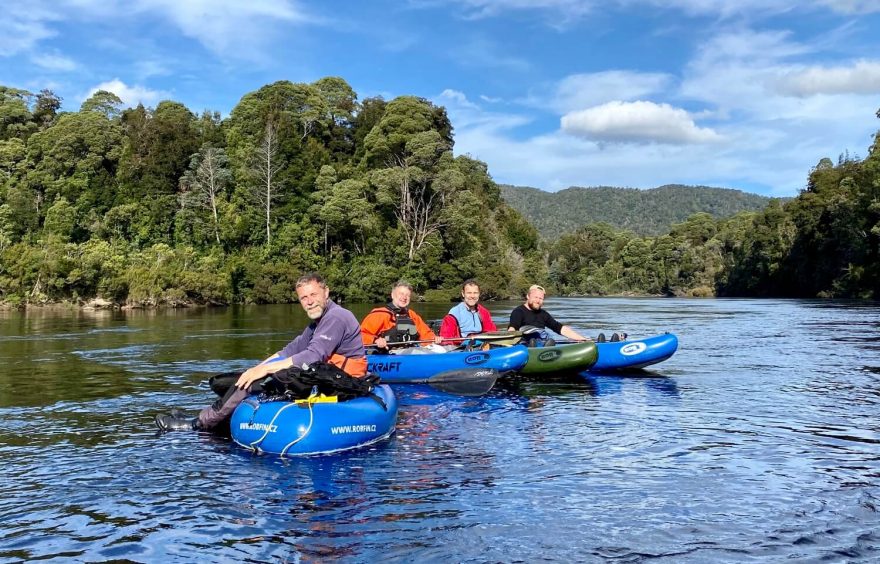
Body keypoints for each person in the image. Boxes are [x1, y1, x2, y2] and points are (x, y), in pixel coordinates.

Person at [155, 272, 368, 432]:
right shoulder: (316, 323)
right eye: (304, 297)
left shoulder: (336, 317)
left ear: (326, 292)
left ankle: (197, 424)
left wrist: (263, 372)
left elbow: (312, 355)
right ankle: (210, 417)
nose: (309, 301)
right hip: (324, 377)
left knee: (257, 382)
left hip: (343, 384)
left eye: (313, 294)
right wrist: (256, 368)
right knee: (233, 381)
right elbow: (289, 350)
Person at [360, 281, 443, 352]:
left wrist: (434, 338)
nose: (404, 297)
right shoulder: (380, 314)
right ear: (392, 295)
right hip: (385, 355)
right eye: (401, 294)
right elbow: (361, 335)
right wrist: (376, 340)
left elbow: (425, 333)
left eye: (408, 295)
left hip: (408, 352)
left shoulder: (412, 315)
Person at [508, 284, 591, 343]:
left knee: (546, 335)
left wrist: (582, 339)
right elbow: (512, 329)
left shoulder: (543, 314)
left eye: (541, 298)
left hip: (542, 342)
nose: (538, 301)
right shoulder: (518, 312)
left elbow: (559, 328)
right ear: (528, 296)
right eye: (535, 297)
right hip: (525, 345)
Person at [439, 279, 497, 343]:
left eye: (475, 293)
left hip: (480, 344)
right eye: (469, 293)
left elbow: (491, 332)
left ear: (479, 294)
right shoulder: (453, 314)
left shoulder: (484, 312)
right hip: (460, 348)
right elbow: (446, 339)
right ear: (463, 294)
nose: (472, 296)